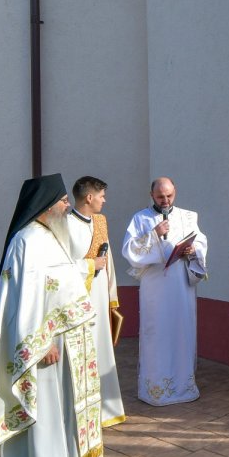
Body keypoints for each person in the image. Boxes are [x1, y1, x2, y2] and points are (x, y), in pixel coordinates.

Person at [0, 174, 104, 457]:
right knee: (44, 411)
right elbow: (27, 300)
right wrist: (43, 344)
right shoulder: (27, 240)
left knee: (59, 411)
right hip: (45, 347)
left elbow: (63, 278)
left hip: (63, 342)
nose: (67, 206)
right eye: (62, 202)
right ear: (45, 207)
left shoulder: (49, 236)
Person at [122, 177, 208, 406]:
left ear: (175, 192)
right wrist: (153, 234)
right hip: (155, 287)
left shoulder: (189, 217)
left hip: (181, 287)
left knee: (183, 331)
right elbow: (129, 250)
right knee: (156, 334)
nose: (165, 200)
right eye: (160, 196)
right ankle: (156, 391)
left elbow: (201, 244)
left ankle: (184, 387)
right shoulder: (140, 219)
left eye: (169, 195)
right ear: (152, 195)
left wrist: (192, 249)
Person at [64, 175, 126, 427]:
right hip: (78, 300)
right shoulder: (64, 225)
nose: (104, 200)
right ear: (89, 197)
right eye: (101, 195)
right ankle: (79, 409)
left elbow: (108, 260)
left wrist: (112, 297)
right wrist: (91, 265)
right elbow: (62, 267)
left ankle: (105, 410)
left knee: (102, 348)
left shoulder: (100, 221)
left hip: (100, 296)